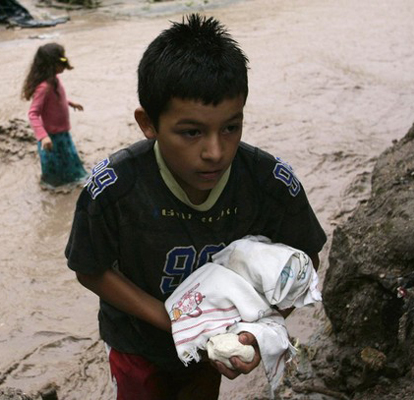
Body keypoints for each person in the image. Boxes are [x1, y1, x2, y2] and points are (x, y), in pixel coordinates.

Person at [65, 14, 326, 400]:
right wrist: (177, 323)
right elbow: (90, 268)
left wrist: (254, 333)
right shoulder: (115, 188)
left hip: (212, 350)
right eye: (192, 132)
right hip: (137, 342)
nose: (215, 152)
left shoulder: (267, 182)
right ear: (148, 123)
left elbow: (305, 260)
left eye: (230, 128)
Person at [22, 42, 88, 189]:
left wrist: (70, 103)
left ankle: (74, 179)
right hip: (50, 137)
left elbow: (56, 100)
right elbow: (33, 114)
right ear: (51, 64)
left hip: (63, 133)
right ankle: (52, 187)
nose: (64, 63)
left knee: (68, 158)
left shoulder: (54, 80)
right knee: (54, 165)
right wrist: (43, 136)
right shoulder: (43, 87)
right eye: (61, 60)